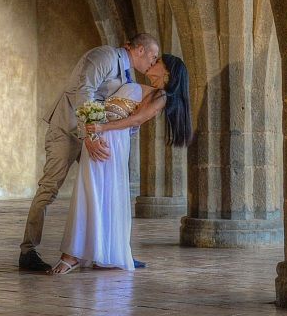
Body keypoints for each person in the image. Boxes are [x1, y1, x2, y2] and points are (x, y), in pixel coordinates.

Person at [18, 34, 161, 272]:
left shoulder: (128, 74)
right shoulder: (103, 56)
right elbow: (85, 92)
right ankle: (27, 251)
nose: (153, 63)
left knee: (106, 190)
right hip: (67, 130)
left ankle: (111, 252)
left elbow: (119, 107)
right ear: (139, 50)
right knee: (49, 189)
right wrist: (89, 137)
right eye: (153, 56)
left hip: (95, 135)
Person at [51, 53, 193, 274]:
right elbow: (131, 120)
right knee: (92, 189)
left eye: (157, 62)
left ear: (167, 72)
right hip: (104, 135)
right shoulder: (149, 89)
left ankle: (74, 255)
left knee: (96, 190)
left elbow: (136, 120)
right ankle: (95, 251)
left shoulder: (162, 96)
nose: (152, 63)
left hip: (110, 138)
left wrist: (101, 128)